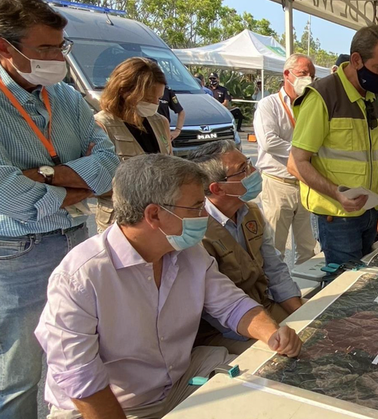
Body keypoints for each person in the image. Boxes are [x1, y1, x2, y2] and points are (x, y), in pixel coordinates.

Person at [35, 154, 302, 419]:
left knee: (270, 383)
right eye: (197, 207)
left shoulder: (188, 252)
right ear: (154, 214)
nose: (204, 215)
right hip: (110, 406)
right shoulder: (80, 278)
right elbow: (81, 381)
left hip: (175, 383)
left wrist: (272, 334)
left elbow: (232, 305)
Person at [0, 0, 120, 418]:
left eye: (60, 47)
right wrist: (79, 182)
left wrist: (45, 175)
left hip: (74, 240)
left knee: (76, 359)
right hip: (17, 256)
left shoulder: (66, 98)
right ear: (4, 47)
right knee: (19, 377)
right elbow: (11, 195)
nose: (57, 58)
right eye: (45, 49)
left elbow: (109, 167)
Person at [288, 25, 378, 265]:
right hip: (337, 217)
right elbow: (296, 163)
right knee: (346, 289)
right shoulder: (323, 96)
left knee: (364, 283)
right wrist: (337, 194)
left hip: (370, 213)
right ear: (356, 60)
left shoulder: (376, 97)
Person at [189, 141, 302, 353]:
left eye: (248, 163)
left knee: (317, 332)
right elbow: (217, 309)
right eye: (243, 170)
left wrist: (303, 312)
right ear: (217, 188)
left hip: (263, 306)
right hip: (228, 329)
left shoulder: (250, 211)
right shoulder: (197, 232)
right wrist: (271, 333)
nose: (253, 172)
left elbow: (275, 269)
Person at [94, 57, 173, 233]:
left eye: (158, 98)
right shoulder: (101, 125)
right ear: (124, 91)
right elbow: (96, 185)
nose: (154, 104)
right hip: (120, 223)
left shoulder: (160, 122)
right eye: (148, 98)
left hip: (158, 219)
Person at [253, 54, 317, 264]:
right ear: (287, 74)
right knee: (275, 248)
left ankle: (307, 292)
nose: (308, 78)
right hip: (278, 184)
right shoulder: (268, 105)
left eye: (312, 75)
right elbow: (269, 142)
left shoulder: (311, 105)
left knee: (307, 247)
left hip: (304, 184)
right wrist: (303, 152)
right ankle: (275, 295)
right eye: (303, 73)